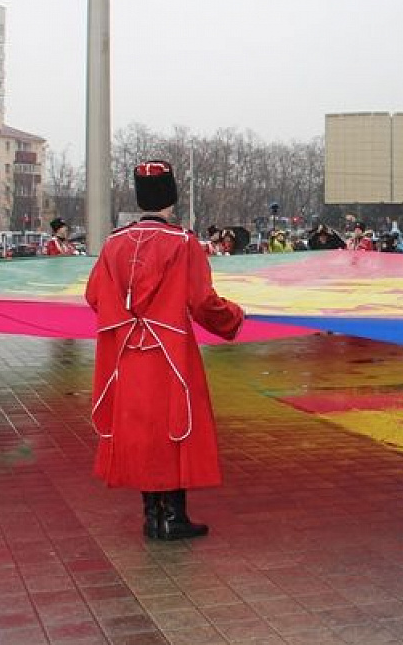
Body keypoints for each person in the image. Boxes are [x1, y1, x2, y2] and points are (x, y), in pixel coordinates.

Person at [85, 160, 245, 540]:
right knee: (175, 426)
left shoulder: (113, 243)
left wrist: (126, 317)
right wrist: (234, 317)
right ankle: (173, 516)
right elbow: (202, 301)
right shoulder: (183, 242)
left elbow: (94, 296)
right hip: (170, 350)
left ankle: (151, 516)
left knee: (140, 429)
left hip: (126, 352)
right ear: (171, 198)